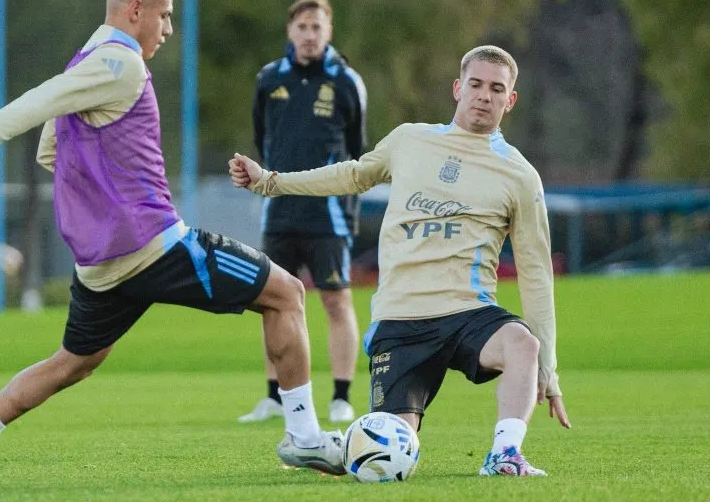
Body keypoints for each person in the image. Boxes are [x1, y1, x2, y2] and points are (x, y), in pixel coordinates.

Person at [0, 0, 344, 483]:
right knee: (286, 294)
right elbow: (36, 103)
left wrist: (99, 190)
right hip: (154, 246)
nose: (168, 29)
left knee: (72, 361)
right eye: (164, 15)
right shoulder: (120, 64)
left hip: (102, 265)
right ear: (135, 10)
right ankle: (304, 437)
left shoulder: (86, 61)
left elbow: (52, 150)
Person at [230, 45, 572, 476]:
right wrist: (270, 182)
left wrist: (548, 369)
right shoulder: (410, 140)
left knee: (523, 345)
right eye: (476, 84)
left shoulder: (520, 176)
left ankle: (504, 455)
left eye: (497, 89)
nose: (485, 96)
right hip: (400, 320)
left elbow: (536, 272)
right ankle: (335, 448)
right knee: (391, 452)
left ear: (511, 99)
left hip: (468, 312)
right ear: (458, 88)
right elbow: (351, 174)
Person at [239, 0, 367, 425]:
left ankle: (341, 396)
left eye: (317, 27)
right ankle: (275, 397)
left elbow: (358, 152)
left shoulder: (346, 81)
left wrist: (348, 206)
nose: (309, 35)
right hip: (279, 213)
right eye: (302, 27)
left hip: (329, 216)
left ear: (328, 31)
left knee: (336, 300)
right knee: (272, 301)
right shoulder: (268, 79)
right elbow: (262, 138)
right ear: (289, 31)